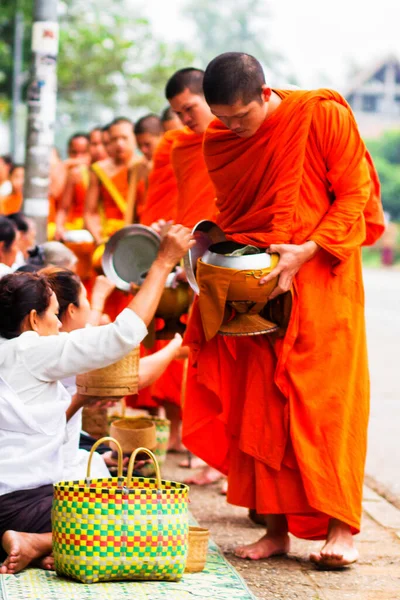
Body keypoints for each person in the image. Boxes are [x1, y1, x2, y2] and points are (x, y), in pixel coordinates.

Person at [181, 52, 385, 568]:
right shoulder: (219, 139)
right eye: (222, 118)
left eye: (241, 118)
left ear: (265, 94)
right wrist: (212, 249)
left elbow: (354, 194)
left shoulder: (322, 116)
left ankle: (341, 529)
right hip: (258, 285)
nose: (231, 128)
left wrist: (307, 251)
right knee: (259, 406)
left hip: (322, 279)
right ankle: (274, 529)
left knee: (325, 403)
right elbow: (236, 214)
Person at [0, 224, 194, 575]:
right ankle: (40, 541)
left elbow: (29, 427)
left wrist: (78, 402)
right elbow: (122, 336)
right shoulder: (31, 348)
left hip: (10, 504)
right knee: (150, 520)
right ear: (32, 319)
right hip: (19, 505)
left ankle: (48, 542)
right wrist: (164, 262)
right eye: (54, 315)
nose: (59, 325)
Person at [42, 266, 186, 480]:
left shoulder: (38, 340)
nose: (90, 304)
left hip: (53, 457)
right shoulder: (62, 347)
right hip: (48, 473)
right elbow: (133, 377)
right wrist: (175, 345)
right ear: (71, 310)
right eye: (86, 297)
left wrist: (103, 458)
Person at [165, 68, 217, 228]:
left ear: (209, 97)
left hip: (230, 236)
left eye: (189, 109)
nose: (185, 119)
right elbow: (187, 202)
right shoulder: (181, 146)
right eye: (178, 113)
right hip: (192, 237)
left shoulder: (237, 133)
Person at [85, 117, 149, 244]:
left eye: (124, 138)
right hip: (109, 237)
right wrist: (99, 239)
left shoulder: (145, 166)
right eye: (114, 139)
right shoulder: (98, 170)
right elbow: (89, 213)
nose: (119, 144)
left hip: (141, 233)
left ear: (134, 139)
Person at [54, 134, 91, 240]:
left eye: (84, 152)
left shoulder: (101, 172)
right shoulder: (73, 173)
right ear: (68, 152)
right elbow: (61, 205)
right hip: (73, 227)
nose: (79, 157)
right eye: (74, 152)